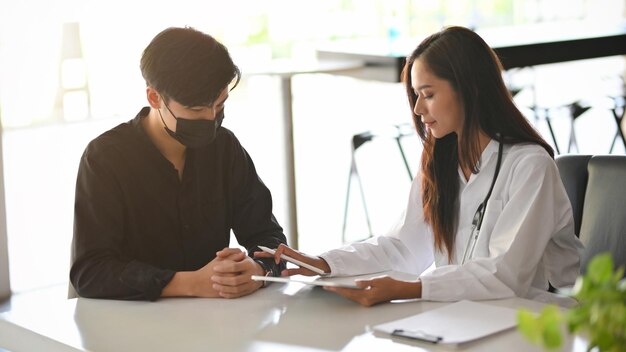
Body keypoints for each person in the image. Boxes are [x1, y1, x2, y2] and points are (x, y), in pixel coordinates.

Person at [257, 26, 583, 306]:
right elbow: (402, 247)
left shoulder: (530, 166)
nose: (417, 108)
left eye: (428, 94)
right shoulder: (441, 163)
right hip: (465, 317)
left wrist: (411, 289)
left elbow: (505, 275)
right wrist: (324, 263)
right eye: (415, 95)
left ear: (468, 89)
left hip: (536, 320)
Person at [70, 27, 286, 301]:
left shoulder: (224, 148)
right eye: (196, 110)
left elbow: (269, 236)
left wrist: (256, 270)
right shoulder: (105, 158)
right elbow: (90, 271)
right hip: (132, 329)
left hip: (216, 323)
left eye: (219, 105)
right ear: (154, 97)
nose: (211, 118)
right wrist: (190, 283)